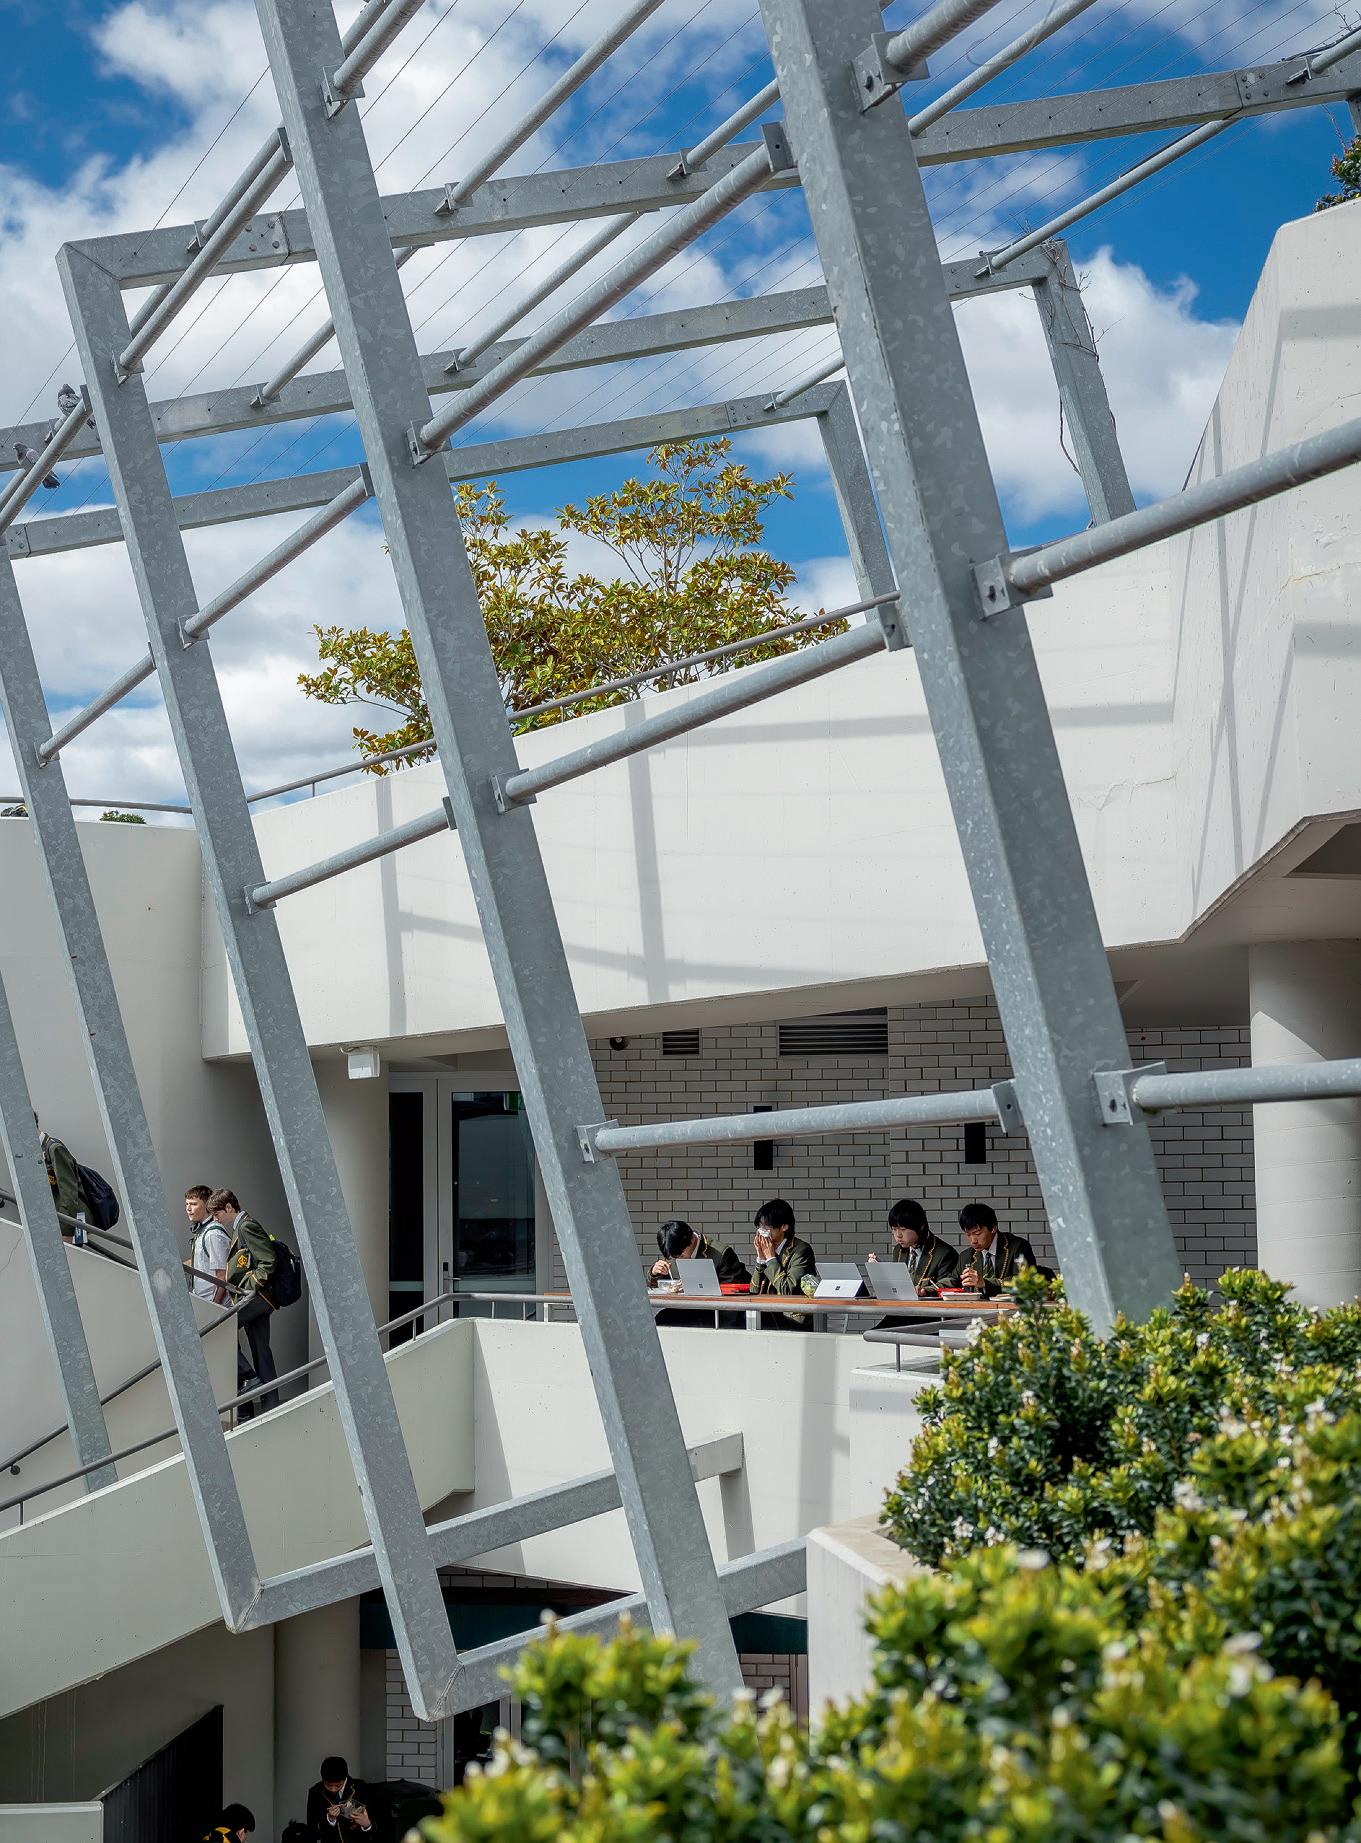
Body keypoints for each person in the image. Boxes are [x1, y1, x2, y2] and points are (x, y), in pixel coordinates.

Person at [208, 1187, 280, 1413]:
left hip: (256, 1299)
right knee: (261, 1350)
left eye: (217, 1214)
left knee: (218, 1330)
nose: (215, 1219)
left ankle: (249, 1377)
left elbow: (268, 1261)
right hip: (258, 1300)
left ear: (229, 1207)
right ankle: (270, 1403)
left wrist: (249, 1286)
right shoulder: (241, 1226)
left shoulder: (246, 1226)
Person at [648, 1218, 751, 1326]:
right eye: (674, 1256)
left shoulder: (720, 1253)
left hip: (716, 1310)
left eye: (681, 1255)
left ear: (692, 1240)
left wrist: (697, 1285)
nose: (678, 1258)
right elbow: (659, 1285)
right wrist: (655, 1273)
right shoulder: (674, 1250)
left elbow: (734, 1290)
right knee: (660, 1320)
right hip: (686, 1308)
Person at [749, 1199, 819, 1329]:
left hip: (793, 1320)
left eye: (766, 1227)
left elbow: (788, 1290)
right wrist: (761, 1259)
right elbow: (753, 1292)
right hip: (768, 1318)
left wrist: (771, 1259)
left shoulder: (801, 1251)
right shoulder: (767, 1250)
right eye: (760, 1227)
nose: (762, 1232)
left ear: (784, 1227)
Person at [868, 1198, 959, 1293]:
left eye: (903, 1229)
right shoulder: (898, 1250)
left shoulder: (945, 1253)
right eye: (894, 1229)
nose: (898, 1235)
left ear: (920, 1226)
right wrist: (880, 1271)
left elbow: (947, 1288)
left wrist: (924, 1291)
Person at [957, 1202, 1040, 1296]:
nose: (973, 1241)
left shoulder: (1018, 1247)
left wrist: (985, 1283)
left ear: (993, 1228)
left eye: (977, 1234)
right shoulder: (966, 1256)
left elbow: (1024, 1282)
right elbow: (953, 1280)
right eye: (968, 1235)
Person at [35, 1112, 83, 1242]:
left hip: (72, 1221)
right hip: (58, 1219)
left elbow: (68, 1192)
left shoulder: (54, 1149)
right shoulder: (40, 1150)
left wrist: (65, 1230)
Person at [185, 1183, 230, 1306]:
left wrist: (214, 1307)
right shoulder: (202, 1231)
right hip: (203, 1302)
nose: (188, 1208)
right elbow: (203, 1260)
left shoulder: (213, 1234)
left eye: (193, 1204)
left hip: (214, 1305)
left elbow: (222, 1276)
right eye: (187, 1204)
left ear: (207, 1206)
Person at [305, 1757, 373, 1839]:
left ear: (345, 1779)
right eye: (328, 1785)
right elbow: (312, 1828)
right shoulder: (316, 1792)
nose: (333, 1789)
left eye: (338, 1785)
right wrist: (329, 1819)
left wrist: (367, 1825)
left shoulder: (361, 1787)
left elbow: (378, 1825)